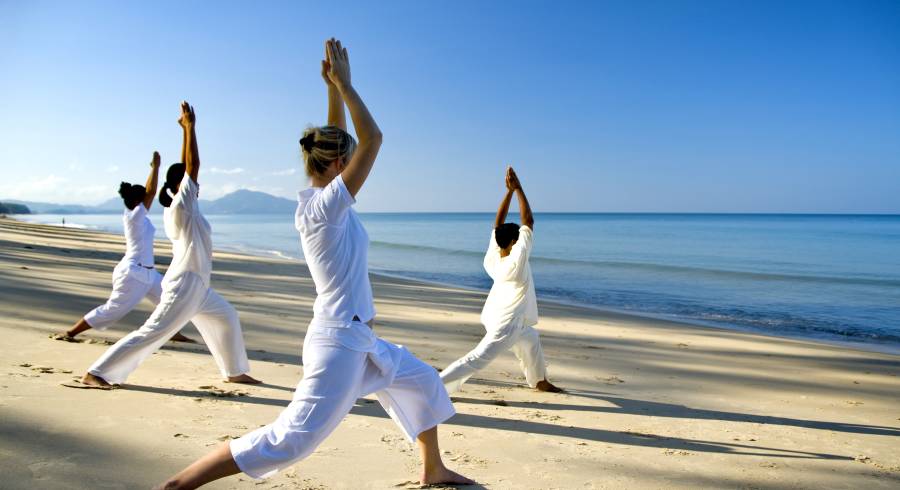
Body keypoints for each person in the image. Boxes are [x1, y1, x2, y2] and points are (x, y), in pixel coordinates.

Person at [154, 38, 473, 489]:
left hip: (358, 335)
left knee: (423, 383)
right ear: (341, 165)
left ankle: (433, 470)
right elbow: (374, 139)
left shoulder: (321, 203)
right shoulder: (325, 210)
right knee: (292, 440)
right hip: (339, 342)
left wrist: (330, 88)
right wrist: (346, 84)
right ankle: (178, 485)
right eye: (347, 160)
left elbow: (339, 137)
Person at [74, 101, 259, 389]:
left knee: (227, 317)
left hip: (198, 284)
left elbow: (190, 169)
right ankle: (97, 372)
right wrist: (189, 128)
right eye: (190, 181)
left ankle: (234, 371)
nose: (198, 183)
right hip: (184, 284)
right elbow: (192, 164)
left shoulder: (189, 208)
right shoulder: (181, 204)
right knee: (154, 331)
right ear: (180, 185)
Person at [440, 167, 562, 394]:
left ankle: (539, 381)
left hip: (496, 316)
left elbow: (498, 225)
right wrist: (519, 189)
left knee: (531, 339)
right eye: (520, 237)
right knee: (477, 358)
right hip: (506, 325)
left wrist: (508, 192)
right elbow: (529, 221)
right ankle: (436, 385)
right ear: (515, 241)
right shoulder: (517, 262)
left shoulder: (493, 258)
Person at [56, 152, 195, 343]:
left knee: (172, 298)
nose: (148, 200)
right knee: (113, 309)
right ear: (138, 202)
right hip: (133, 274)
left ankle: (172, 332)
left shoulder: (139, 218)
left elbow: (148, 193)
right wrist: (155, 168)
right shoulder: (133, 217)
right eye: (144, 199)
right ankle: (71, 332)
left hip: (149, 274)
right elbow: (151, 192)